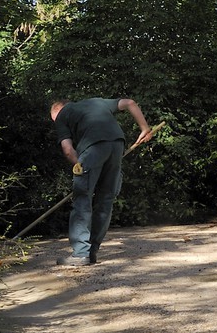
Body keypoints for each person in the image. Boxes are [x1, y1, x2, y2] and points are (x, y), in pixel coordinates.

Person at [51, 97, 156, 266]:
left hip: (92, 148)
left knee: (82, 200)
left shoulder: (62, 115)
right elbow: (129, 103)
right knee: (105, 199)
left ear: (57, 111)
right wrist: (145, 128)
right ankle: (91, 253)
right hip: (116, 144)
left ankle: (80, 254)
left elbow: (68, 150)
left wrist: (81, 166)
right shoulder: (96, 102)